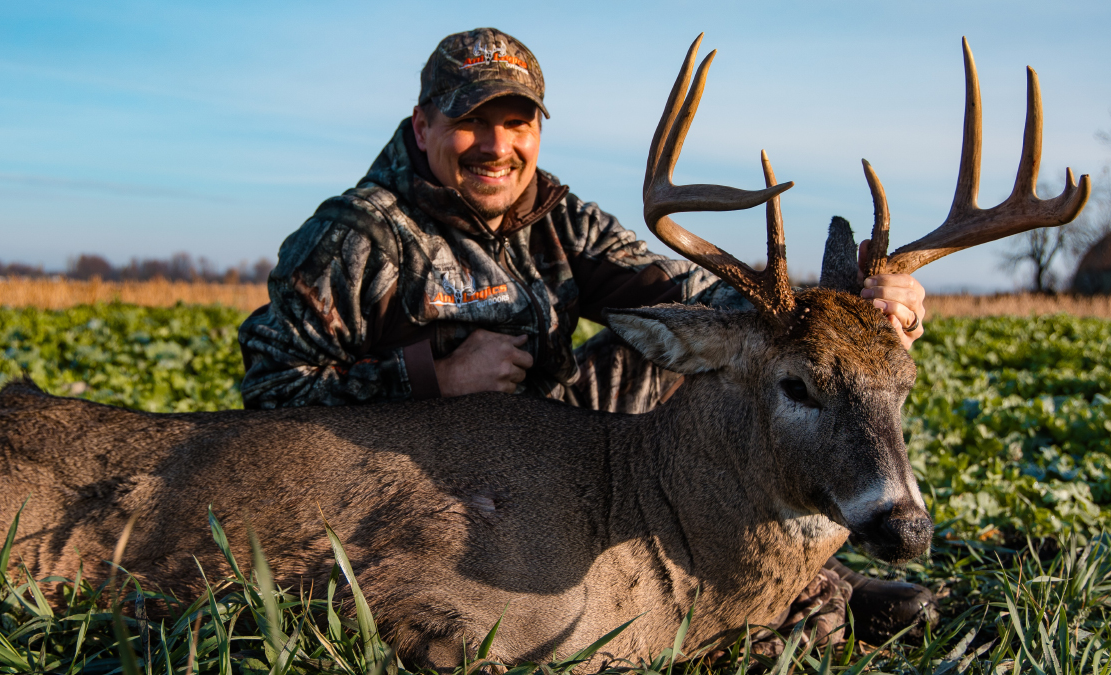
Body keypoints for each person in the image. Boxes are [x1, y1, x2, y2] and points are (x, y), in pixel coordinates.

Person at [237, 27, 934, 645]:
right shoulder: (357, 235)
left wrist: (846, 320)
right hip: (413, 479)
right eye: (470, 120)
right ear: (422, 126)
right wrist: (433, 378)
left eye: (516, 122)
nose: (497, 145)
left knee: (703, 358)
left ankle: (798, 569)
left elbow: (692, 298)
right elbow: (268, 391)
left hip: (555, 449)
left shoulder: (563, 220)